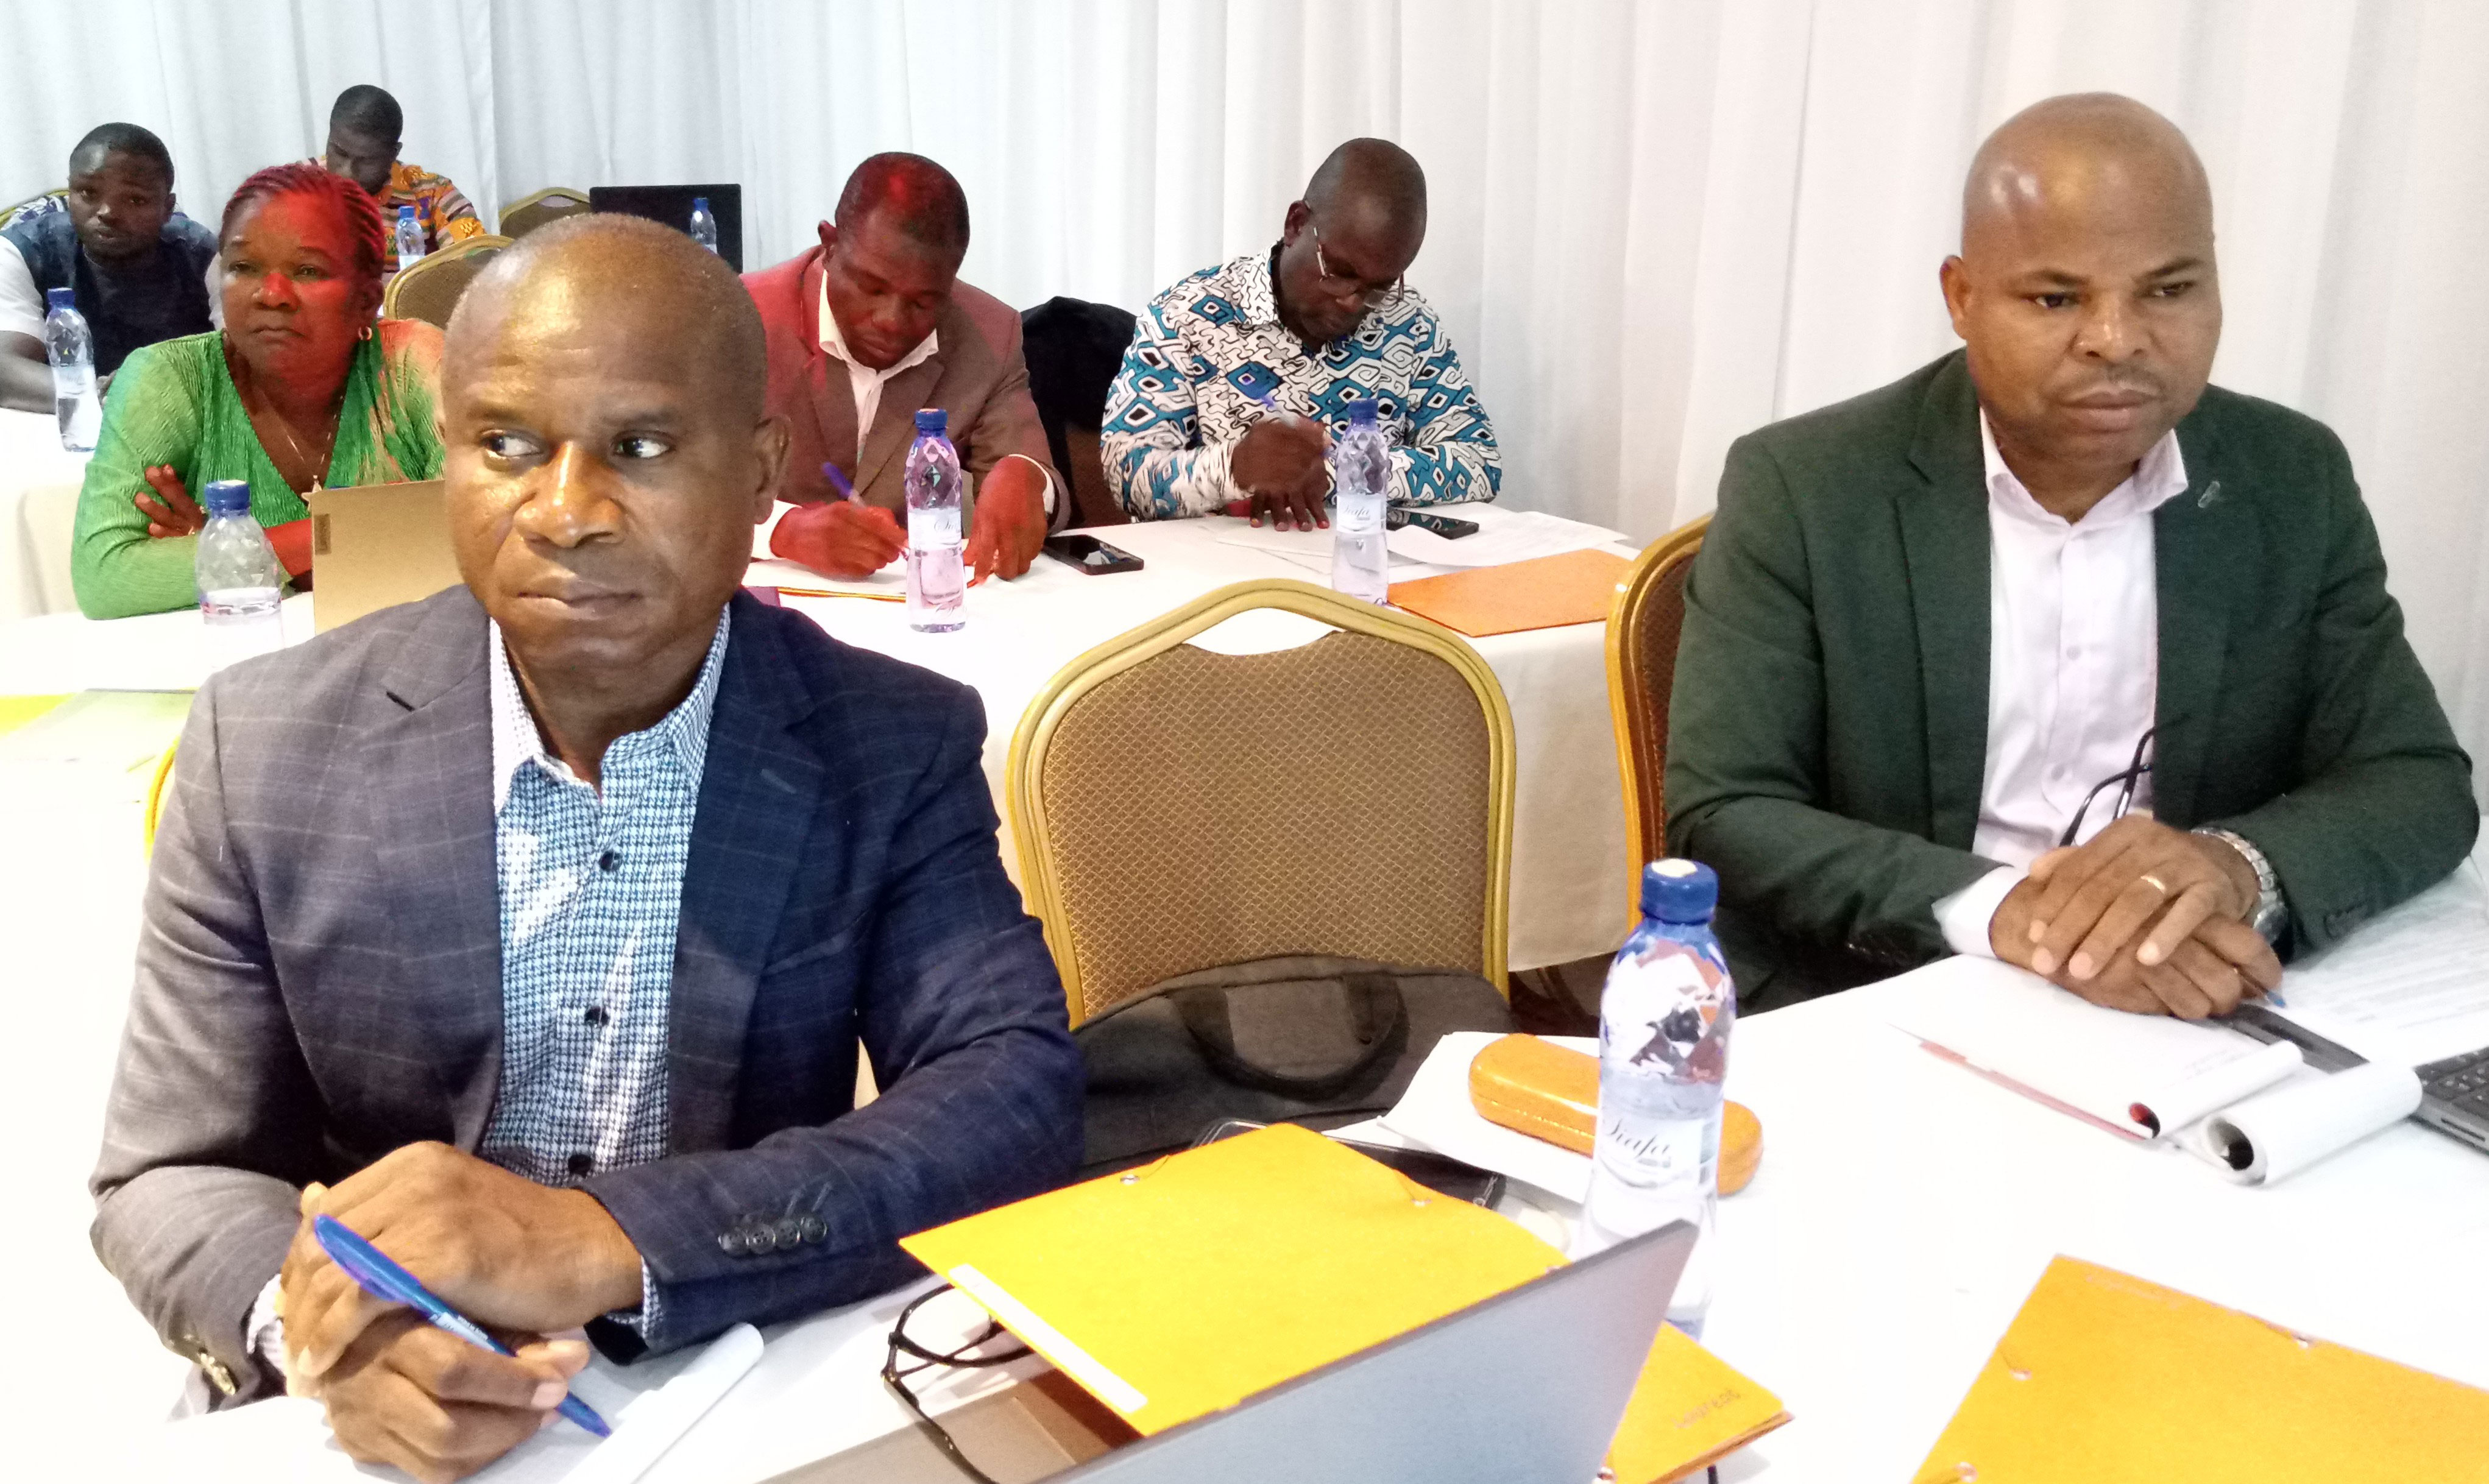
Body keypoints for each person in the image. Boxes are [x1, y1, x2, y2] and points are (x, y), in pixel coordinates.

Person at [89, 213, 1082, 1480]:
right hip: (370, 1427)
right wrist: (322, 1329)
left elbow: (1008, 1094)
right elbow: (172, 1168)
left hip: (733, 1389)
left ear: (760, 469)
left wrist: (608, 1238)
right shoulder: (268, 743)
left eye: (641, 447)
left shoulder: (883, 742)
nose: (563, 512)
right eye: (506, 446)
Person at [1665, 93, 2476, 1016]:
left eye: (2168, 291)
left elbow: (2415, 779)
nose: (2115, 340)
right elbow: (1725, 811)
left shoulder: (2289, 477)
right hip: (1895, 992)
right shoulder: (1806, 485)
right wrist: (2016, 914)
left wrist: (2232, 866)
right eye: (2055, 299)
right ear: (1961, 298)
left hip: (2182, 996)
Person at [69, 161, 445, 618]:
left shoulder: (411, 364)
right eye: (243, 267)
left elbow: (479, 537)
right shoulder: (169, 378)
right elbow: (103, 577)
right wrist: (340, 536)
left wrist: (226, 554)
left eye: (308, 270)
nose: (271, 294)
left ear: (366, 301)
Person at [1102, 137, 1500, 531]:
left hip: (1365, 560)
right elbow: (1125, 476)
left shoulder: (1408, 323)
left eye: (1379, 288)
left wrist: (1347, 470)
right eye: (1340, 273)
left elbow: (1479, 461)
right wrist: (1236, 467)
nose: (1353, 302)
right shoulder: (1185, 316)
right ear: (1296, 224)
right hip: (1219, 566)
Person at [744, 152, 1058, 583]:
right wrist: (782, 531)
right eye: (872, 288)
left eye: (923, 302)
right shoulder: (742, 318)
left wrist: (1027, 476)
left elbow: (1031, 472)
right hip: (763, 597)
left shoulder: (990, 335)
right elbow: (670, 488)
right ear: (830, 245)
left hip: (910, 601)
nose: (891, 321)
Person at [0, 123, 219, 412]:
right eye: (88, 192)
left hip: (182, 420)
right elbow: (5, 372)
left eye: (135, 199)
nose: (107, 212)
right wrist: (105, 395)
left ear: (167, 208)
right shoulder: (24, 250)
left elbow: (247, 357)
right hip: (62, 429)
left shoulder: (204, 255)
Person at [320, 83, 485, 278]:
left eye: (367, 161)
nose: (348, 172)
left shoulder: (432, 194)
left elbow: (476, 264)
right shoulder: (297, 187)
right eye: (339, 153)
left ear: (393, 153)